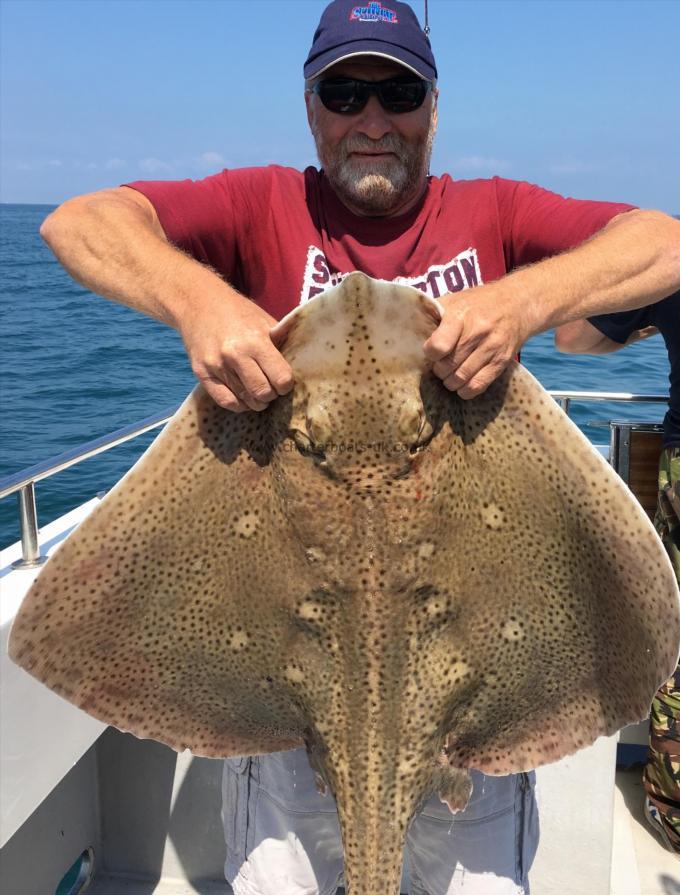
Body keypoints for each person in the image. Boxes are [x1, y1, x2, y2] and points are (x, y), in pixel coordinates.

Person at [38, 1, 680, 892]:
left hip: (469, 685)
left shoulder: (494, 209)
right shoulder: (260, 201)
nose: (372, 119)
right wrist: (198, 302)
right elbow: (77, 224)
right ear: (311, 109)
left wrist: (521, 304)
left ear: (433, 107)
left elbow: (664, 244)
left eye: (398, 92)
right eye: (345, 92)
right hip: (292, 692)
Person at [556, 298, 680, 858]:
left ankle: (672, 810)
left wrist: (646, 326)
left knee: (675, 638)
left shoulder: (667, 259)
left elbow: (571, 339)